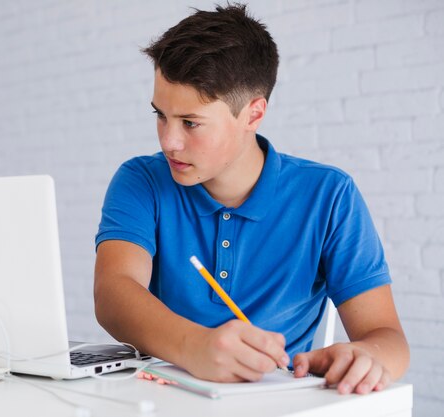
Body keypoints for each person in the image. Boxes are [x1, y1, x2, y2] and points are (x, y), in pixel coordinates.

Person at [93, 3, 409, 395]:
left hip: (273, 399)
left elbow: (388, 337)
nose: (169, 141)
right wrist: (195, 346)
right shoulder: (141, 180)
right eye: (161, 115)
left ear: (253, 115)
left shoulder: (329, 195)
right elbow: (113, 293)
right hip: (161, 398)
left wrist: (366, 357)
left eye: (190, 123)